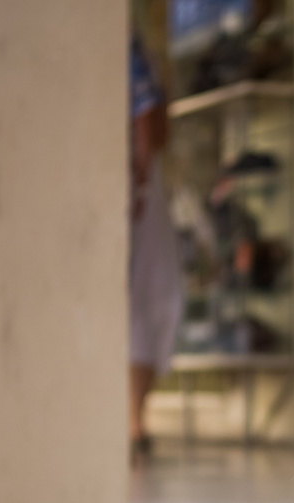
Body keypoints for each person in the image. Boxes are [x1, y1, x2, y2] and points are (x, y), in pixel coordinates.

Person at [127, 36, 183, 456]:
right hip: (133, 181)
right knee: (147, 298)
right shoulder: (125, 41)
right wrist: (142, 180)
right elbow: (148, 116)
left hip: (135, 179)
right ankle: (133, 421)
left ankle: (132, 419)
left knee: (143, 302)